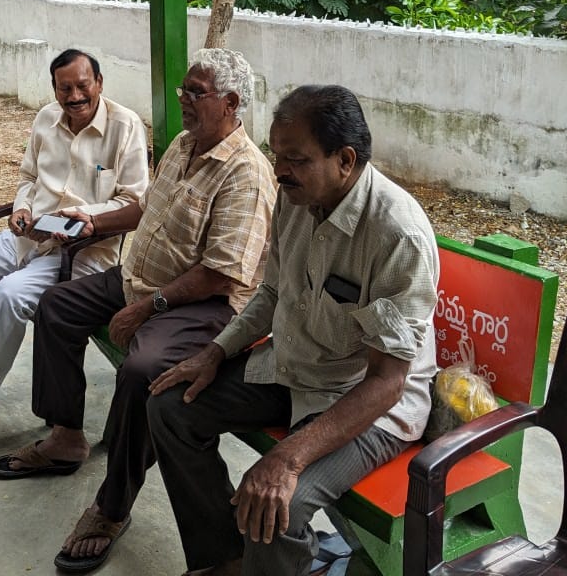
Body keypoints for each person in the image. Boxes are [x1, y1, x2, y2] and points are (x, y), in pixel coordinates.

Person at [0, 48, 278, 575]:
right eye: (182, 90)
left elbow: (221, 273)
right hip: (137, 279)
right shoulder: (185, 144)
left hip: (202, 305)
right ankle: (66, 437)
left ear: (232, 103)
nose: (183, 101)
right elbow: (146, 208)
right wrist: (94, 225)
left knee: (142, 371)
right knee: (55, 307)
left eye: (196, 93)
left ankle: (111, 505)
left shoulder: (246, 173)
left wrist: (150, 306)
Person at [147, 85, 440, 576]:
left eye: (296, 159)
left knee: (277, 507)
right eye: (277, 156)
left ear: (345, 160)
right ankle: (228, 560)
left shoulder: (398, 234)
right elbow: (271, 293)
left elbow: (387, 382)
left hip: (367, 400)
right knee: (171, 407)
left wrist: (288, 458)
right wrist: (215, 353)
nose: (279, 171)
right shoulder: (295, 197)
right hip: (298, 368)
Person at [0, 48, 149, 453]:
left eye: (83, 86)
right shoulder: (46, 118)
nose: (74, 96)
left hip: (79, 252)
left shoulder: (125, 126)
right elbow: (28, 176)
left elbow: (134, 204)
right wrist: (23, 209)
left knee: (8, 296)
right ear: (55, 89)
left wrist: (83, 218)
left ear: (99, 83)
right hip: (28, 236)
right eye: (65, 88)